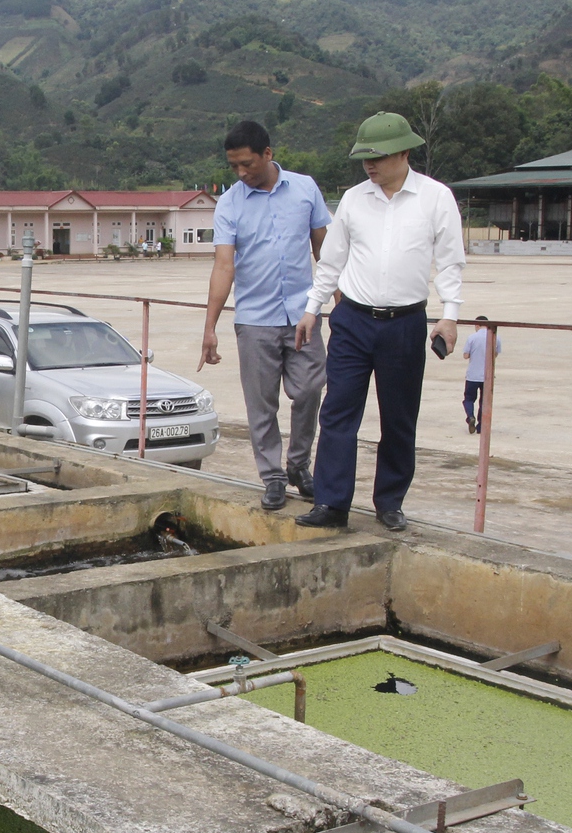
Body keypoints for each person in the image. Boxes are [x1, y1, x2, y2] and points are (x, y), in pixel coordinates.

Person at [293, 111, 465, 532]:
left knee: (399, 416)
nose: (370, 166)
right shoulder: (353, 198)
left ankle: (390, 502)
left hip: (405, 323)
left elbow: (450, 263)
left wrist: (450, 316)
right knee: (337, 412)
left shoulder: (435, 197)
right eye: (364, 158)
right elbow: (331, 261)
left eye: (379, 157)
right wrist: (312, 309)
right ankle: (332, 503)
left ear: (404, 153)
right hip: (352, 319)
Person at [198, 120, 331, 512]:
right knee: (262, 403)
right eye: (234, 166)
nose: (241, 173)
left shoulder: (305, 188)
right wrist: (210, 327)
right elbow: (224, 266)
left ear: (268, 155)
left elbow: (326, 251)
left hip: (304, 315)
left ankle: (298, 463)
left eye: (247, 164)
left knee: (309, 390)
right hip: (255, 319)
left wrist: (340, 301)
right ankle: (273, 476)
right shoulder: (230, 203)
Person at [461, 315, 500, 435]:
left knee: (469, 399)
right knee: (484, 401)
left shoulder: (472, 337)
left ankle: (470, 416)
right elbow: (496, 354)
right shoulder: (495, 337)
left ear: (477, 325)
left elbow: (466, 355)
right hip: (487, 376)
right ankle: (481, 427)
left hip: (473, 374)